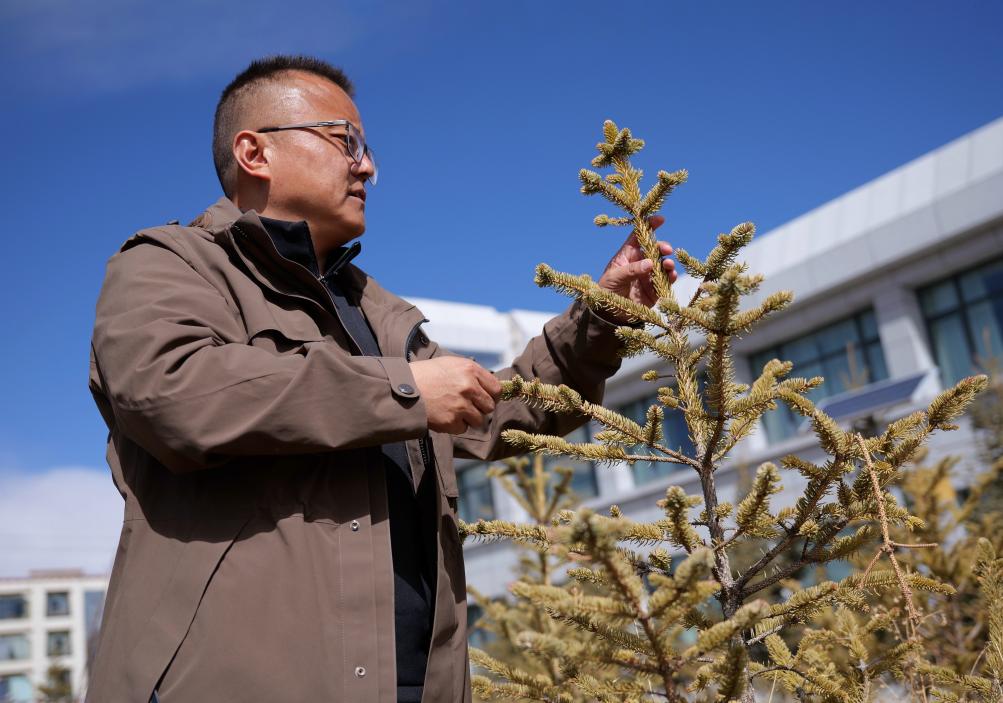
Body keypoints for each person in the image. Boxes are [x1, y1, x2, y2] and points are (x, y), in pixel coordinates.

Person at [85, 55, 677, 703]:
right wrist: (404, 393)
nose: (368, 167)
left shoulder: (381, 313)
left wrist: (600, 319)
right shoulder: (168, 264)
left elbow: (498, 410)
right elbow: (172, 391)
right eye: (346, 141)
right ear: (255, 153)